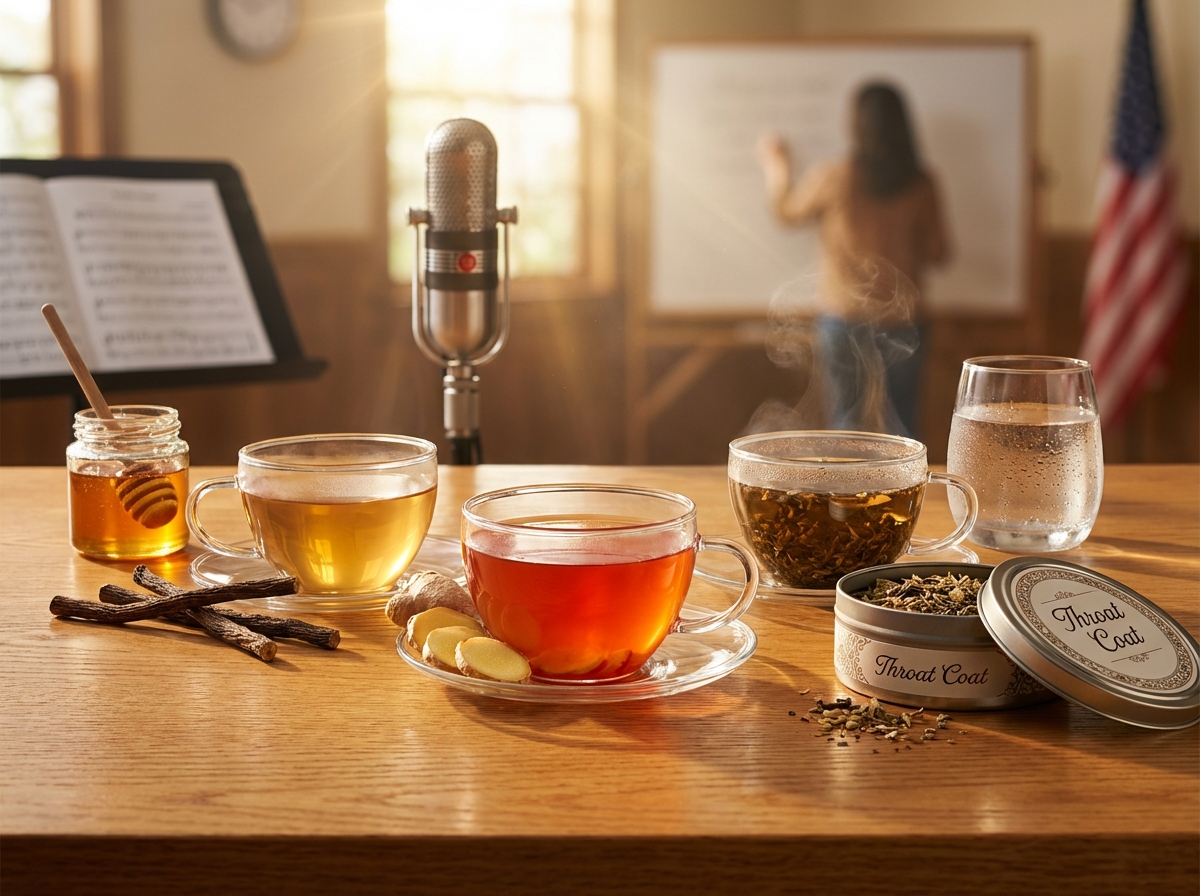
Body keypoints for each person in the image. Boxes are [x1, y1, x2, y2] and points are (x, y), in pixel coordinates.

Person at [757, 81, 949, 437]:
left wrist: (777, 165)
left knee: (845, 421)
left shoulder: (835, 175)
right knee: (904, 425)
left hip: (842, 316)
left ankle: (843, 493)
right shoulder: (923, 183)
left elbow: (786, 211)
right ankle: (905, 492)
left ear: (855, 123)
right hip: (904, 317)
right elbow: (939, 252)